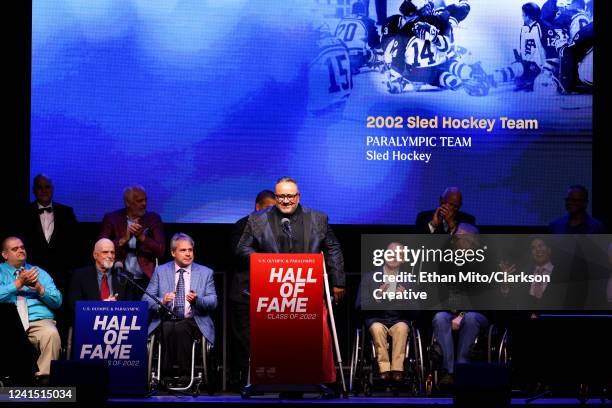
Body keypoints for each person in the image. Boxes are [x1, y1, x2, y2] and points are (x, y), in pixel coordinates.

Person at [236, 176, 345, 385]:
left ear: (298, 196)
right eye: (281, 197)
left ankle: (316, 380)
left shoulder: (318, 218)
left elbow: (333, 248)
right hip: (273, 288)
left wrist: (338, 282)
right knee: (278, 341)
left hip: (308, 287)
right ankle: (274, 379)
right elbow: (242, 248)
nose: (286, 201)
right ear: (275, 197)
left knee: (314, 337)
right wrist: (266, 262)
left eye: (290, 196)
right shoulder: (257, 220)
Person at [144, 233, 217, 379]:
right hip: (166, 319)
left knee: (181, 327)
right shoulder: (160, 271)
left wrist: (197, 300)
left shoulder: (205, 272)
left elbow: (213, 301)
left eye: (190, 250)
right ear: (173, 252)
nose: (188, 254)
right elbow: (146, 298)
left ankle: (183, 374)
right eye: (183, 250)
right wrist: (162, 300)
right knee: (168, 327)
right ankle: (166, 375)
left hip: (194, 321)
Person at [228, 189, 276, 389]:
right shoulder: (243, 225)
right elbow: (238, 252)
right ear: (258, 207)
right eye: (268, 208)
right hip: (245, 292)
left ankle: (270, 379)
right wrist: (267, 260)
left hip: (272, 293)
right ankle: (245, 380)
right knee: (245, 340)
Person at [431, 224, 488, 386]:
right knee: (440, 317)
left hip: (476, 313)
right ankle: (450, 371)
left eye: (460, 236)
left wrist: (461, 315)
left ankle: (462, 367)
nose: (455, 240)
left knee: (469, 318)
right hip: (450, 311)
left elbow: (482, 300)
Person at [0, 236, 62, 382]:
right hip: (8, 321)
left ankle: (43, 383)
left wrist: (40, 289)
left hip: (37, 321)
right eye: (15, 249)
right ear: (5, 255)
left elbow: (58, 301)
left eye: (22, 247)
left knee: (51, 334)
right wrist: (18, 283)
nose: (20, 250)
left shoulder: (39, 272)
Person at [356, 242, 416, 382]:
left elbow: (417, 312)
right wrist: (376, 298)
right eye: (391, 253)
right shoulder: (369, 277)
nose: (394, 256)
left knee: (402, 328)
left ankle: (397, 370)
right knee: (377, 328)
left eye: (398, 254)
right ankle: (383, 369)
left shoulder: (409, 280)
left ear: (403, 259)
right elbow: (359, 305)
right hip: (376, 319)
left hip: (398, 320)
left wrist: (406, 299)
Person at [100, 185, 165, 289]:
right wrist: (123, 239)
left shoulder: (153, 219)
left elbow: (161, 251)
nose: (144, 204)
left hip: (145, 278)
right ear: (127, 203)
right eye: (139, 201)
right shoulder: (112, 219)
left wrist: (142, 237)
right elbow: (101, 249)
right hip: (119, 276)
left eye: (145, 200)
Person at [22, 174, 78, 293]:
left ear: (52, 189)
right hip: (33, 275)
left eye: (47, 187)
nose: (43, 190)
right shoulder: (23, 213)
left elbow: (75, 244)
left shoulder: (67, 213)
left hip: (63, 278)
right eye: (39, 187)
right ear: (33, 190)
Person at [68, 239, 137, 322]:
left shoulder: (125, 277)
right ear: (95, 255)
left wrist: (117, 308)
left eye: (112, 252)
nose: (110, 256)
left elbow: (133, 308)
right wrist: (101, 308)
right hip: (89, 324)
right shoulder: (80, 276)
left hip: (118, 324)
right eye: (105, 252)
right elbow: (74, 306)